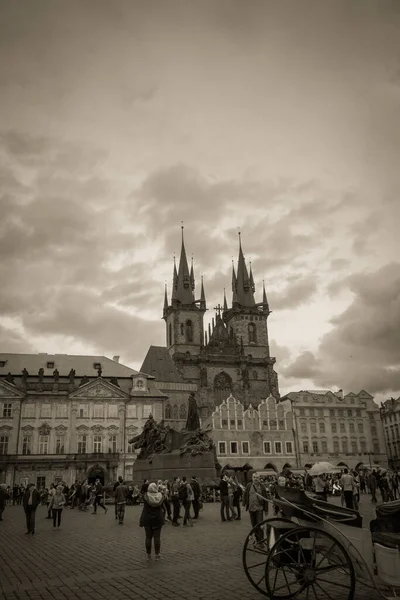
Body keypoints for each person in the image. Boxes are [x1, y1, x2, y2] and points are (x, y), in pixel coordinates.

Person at [139, 482, 165, 560]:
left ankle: (148, 555)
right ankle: (157, 555)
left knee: (148, 538)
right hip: (157, 519)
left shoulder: (145, 496)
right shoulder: (161, 496)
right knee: (157, 538)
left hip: (147, 519)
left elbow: (142, 495)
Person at [243, 472, 269, 545]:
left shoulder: (262, 486)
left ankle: (261, 542)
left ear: (259, 478)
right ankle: (257, 540)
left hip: (259, 509)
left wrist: (266, 510)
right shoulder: (248, 486)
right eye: (254, 477)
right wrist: (243, 505)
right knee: (254, 526)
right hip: (251, 509)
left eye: (257, 477)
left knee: (260, 525)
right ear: (252, 478)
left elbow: (265, 498)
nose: (255, 479)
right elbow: (245, 496)